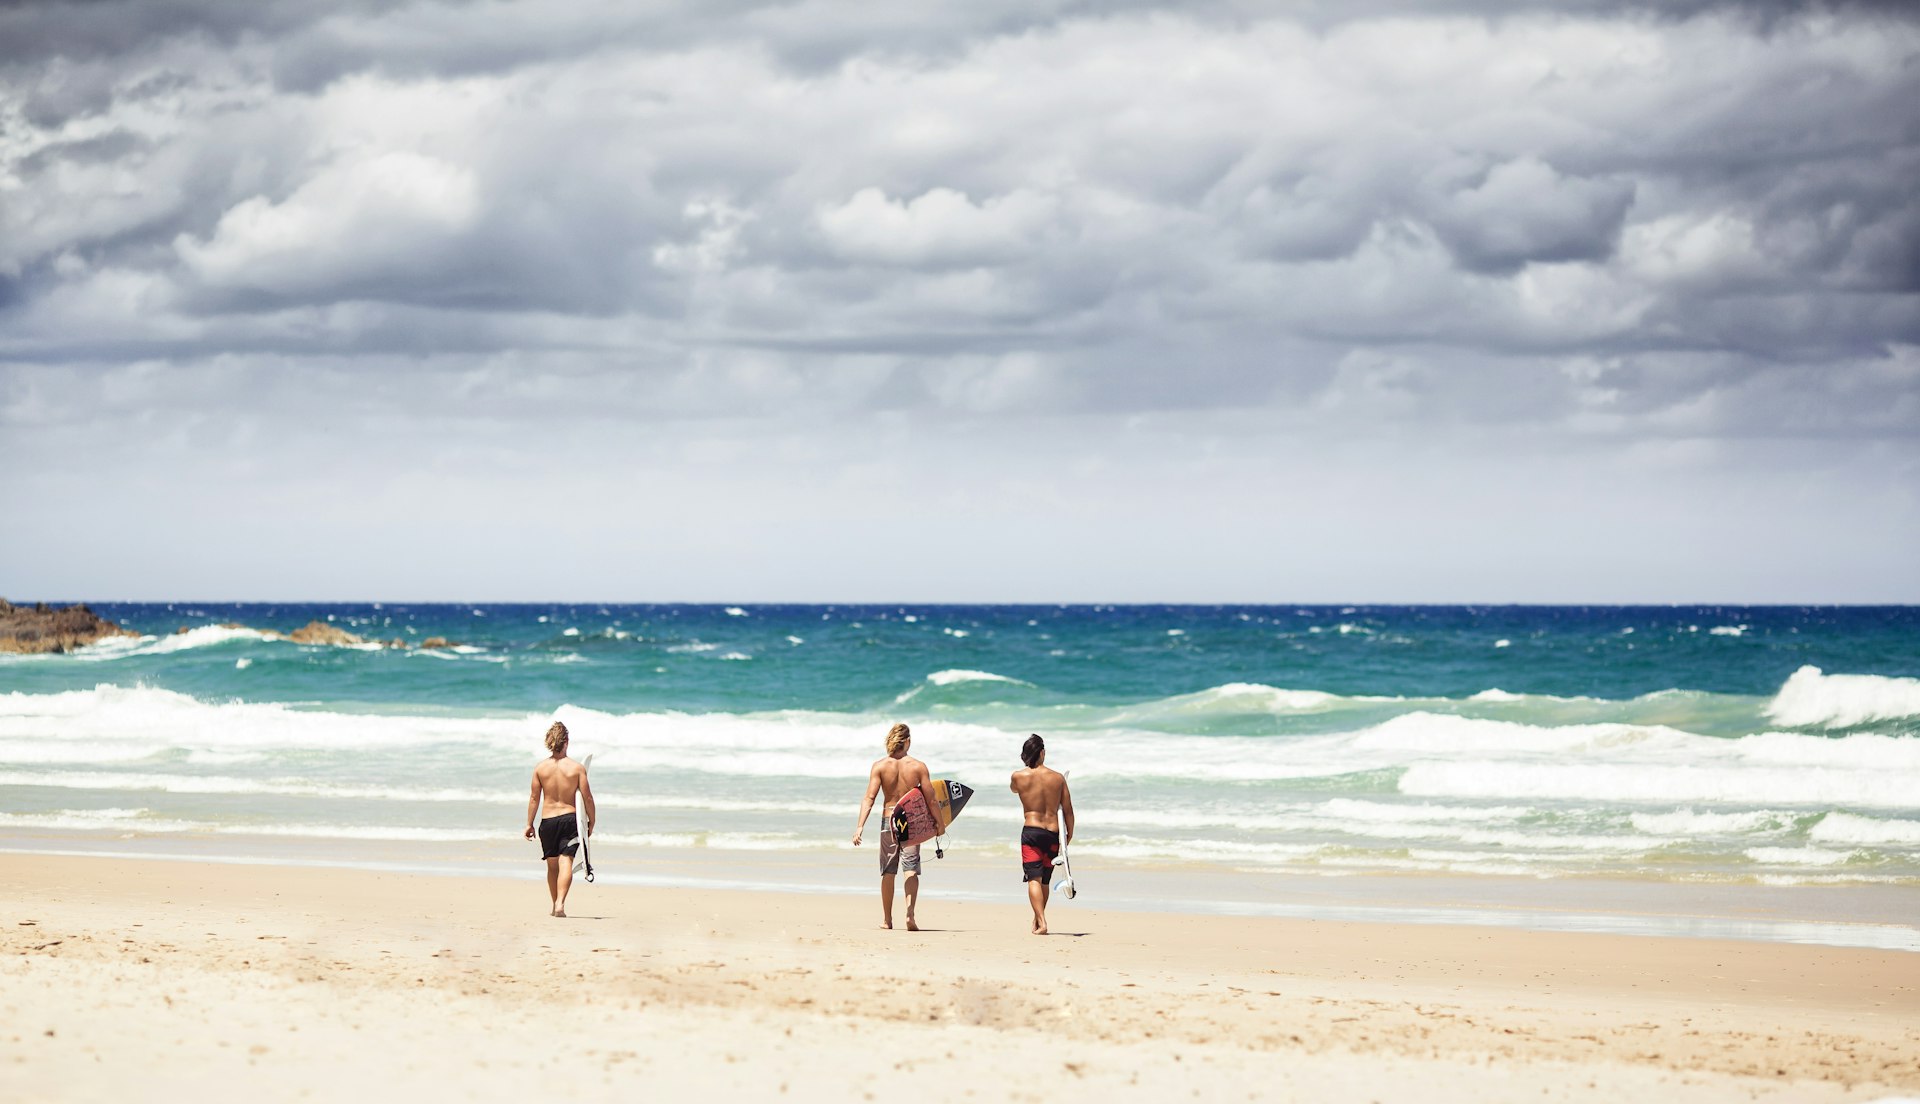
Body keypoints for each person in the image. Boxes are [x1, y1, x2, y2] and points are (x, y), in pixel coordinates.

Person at [852, 722, 931, 931]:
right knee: (911, 868)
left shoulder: (880, 766)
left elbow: (869, 798)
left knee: (888, 871)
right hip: (912, 822)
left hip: (889, 820)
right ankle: (910, 913)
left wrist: (860, 826)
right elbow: (931, 800)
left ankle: (887, 920)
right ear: (907, 741)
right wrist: (939, 826)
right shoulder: (918, 766)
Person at [524, 720, 595, 918]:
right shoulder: (576, 769)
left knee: (552, 866)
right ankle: (560, 904)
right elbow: (587, 798)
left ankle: (554, 905)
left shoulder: (540, 768)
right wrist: (592, 821)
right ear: (566, 741)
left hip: (547, 822)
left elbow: (533, 798)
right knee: (566, 863)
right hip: (569, 821)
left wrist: (529, 824)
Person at [1009, 733, 1073, 935]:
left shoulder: (1018, 776)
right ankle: (1038, 919)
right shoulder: (1058, 778)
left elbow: (1013, 790)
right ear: (1043, 752)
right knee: (1044, 880)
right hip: (1052, 835)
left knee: (1033, 879)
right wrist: (1068, 836)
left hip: (1031, 833)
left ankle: (1042, 921)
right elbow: (1068, 810)